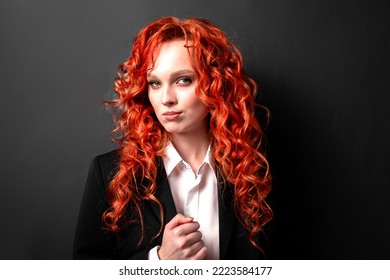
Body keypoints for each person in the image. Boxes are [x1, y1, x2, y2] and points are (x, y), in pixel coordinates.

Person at [73, 16, 272, 260]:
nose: (166, 97)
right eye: (155, 83)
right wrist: (158, 262)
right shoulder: (110, 173)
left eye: (183, 80)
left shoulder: (255, 171)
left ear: (216, 84)